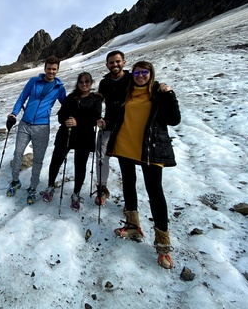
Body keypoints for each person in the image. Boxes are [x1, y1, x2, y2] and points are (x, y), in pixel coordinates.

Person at [106, 61, 180, 269]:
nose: (140, 76)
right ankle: (132, 225)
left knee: (155, 191)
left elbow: (174, 120)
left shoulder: (159, 93)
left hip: (150, 149)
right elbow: (117, 115)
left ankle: (163, 246)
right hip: (125, 144)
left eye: (144, 72)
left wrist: (170, 94)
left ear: (151, 74)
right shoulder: (127, 92)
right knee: (128, 183)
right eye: (137, 72)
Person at [6, 56, 66, 204]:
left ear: (57, 70)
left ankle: (33, 187)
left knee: (38, 159)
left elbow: (66, 104)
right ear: (44, 68)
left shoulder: (59, 88)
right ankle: (15, 181)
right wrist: (14, 113)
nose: (51, 71)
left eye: (54, 69)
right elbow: (22, 98)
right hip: (25, 124)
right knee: (18, 153)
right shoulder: (34, 81)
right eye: (49, 68)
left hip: (42, 127)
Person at [42, 72, 102, 211]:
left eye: (87, 81)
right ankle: (50, 185)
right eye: (81, 82)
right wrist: (66, 120)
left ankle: (76, 193)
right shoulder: (71, 97)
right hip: (66, 133)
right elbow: (61, 115)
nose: (84, 84)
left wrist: (78, 121)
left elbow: (95, 118)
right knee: (56, 159)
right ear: (78, 84)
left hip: (85, 136)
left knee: (80, 165)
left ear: (91, 82)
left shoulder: (95, 99)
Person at [95, 50, 131, 206]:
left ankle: (130, 201)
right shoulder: (104, 83)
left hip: (128, 125)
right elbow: (98, 102)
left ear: (124, 62)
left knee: (127, 162)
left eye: (117, 61)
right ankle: (102, 188)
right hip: (108, 124)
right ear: (107, 65)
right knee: (101, 157)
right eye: (111, 62)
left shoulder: (131, 79)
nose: (114, 65)